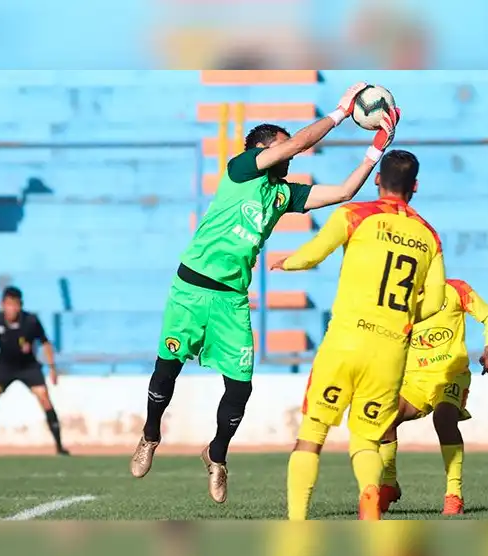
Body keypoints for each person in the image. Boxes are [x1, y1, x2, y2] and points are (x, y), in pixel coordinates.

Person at [130, 83, 401, 506]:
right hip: (190, 288)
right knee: (167, 370)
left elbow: (344, 193)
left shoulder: (282, 195)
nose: (290, 154)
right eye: (281, 148)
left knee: (240, 388)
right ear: (261, 150)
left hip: (231, 300)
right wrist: (340, 112)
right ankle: (150, 434)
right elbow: (296, 142)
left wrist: (376, 148)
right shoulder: (241, 169)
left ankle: (216, 454)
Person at [272, 149, 446, 520]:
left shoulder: (354, 214)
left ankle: (298, 521)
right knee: (367, 438)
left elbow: (312, 255)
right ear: (415, 186)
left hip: (346, 340)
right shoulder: (429, 236)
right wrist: (399, 316)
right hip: (390, 348)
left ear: (378, 179)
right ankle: (370, 491)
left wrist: (285, 262)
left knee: (313, 431)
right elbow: (435, 301)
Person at [378, 278, 488, 516]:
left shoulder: (456, 289)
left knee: (444, 418)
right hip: (413, 379)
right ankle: (389, 483)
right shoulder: (398, 296)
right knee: (385, 416)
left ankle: (454, 494)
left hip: (450, 375)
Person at [0, 286, 67, 456]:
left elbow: (46, 343)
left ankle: (59, 447)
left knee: (44, 398)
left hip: (28, 367)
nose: (12, 308)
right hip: (4, 366)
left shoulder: (31, 321)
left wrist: (52, 367)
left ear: (20, 305)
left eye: (15, 305)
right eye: (8, 304)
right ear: (2, 305)